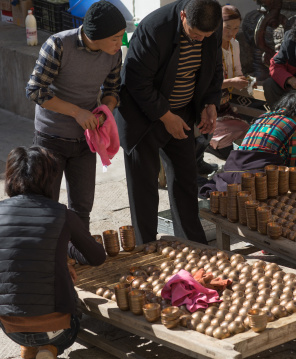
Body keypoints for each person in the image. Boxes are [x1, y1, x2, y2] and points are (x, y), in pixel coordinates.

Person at [115, 0, 223, 245]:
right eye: (195, 35)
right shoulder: (155, 28)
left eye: (206, 36)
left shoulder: (210, 29)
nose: (200, 41)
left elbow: (215, 68)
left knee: (185, 178)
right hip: (142, 116)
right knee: (144, 187)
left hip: (182, 112)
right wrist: (165, 116)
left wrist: (210, 103)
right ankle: (147, 247)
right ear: (183, 16)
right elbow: (136, 82)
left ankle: (193, 244)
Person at [26, 0, 126, 230]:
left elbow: (112, 91)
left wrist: (104, 113)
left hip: (85, 140)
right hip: (50, 137)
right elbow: (35, 90)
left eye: (121, 36)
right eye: (114, 37)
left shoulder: (113, 53)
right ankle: (51, 260)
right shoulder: (59, 44)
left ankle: (78, 257)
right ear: (94, 35)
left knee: (82, 208)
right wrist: (77, 112)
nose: (119, 43)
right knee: (46, 206)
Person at [0, 146, 106, 359]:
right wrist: (61, 244)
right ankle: (50, 350)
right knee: (73, 308)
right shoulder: (61, 214)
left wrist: (55, 251)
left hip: (9, 327)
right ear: (50, 179)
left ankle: (28, 348)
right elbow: (96, 257)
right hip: (57, 330)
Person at [200, 92, 296, 195]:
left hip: (232, 172)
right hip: (258, 178)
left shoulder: (261, 117)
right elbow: (294, 168)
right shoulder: (293, 126)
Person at [202, 4, 251, 161]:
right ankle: (208, 144)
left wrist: (245, 81)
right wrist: (232, 81)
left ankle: (210, 141)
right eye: (227, 28)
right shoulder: (209, 46)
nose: (232, 33)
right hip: (208, 105)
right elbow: (206, 84)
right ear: (217, 25)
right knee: (228, 148)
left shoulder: (234, 45)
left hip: (225, 105)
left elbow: (238, 71)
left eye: (236, 28)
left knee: (248, 133)